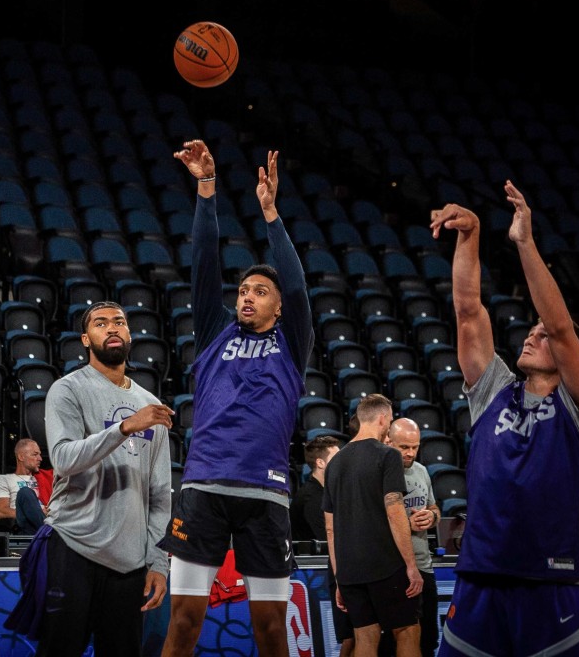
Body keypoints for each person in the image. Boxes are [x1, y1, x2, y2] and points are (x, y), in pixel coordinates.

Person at [429, 180, 579, 655]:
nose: (531, 336)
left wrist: (524, 242)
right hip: (480, 577)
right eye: (530, 331)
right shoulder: (493, 392)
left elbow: (562, 325)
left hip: (548, 583)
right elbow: (468, 313)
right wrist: (471, 237)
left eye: (540, 335)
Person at [159, 140, 314, 657]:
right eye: (244, 288)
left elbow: (295, 286)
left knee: (270, 629)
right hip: (203, 484)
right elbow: (204, 262)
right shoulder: (214, 332)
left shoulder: (291, 342)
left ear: (276, 308)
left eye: (258, 291)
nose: (247, 294)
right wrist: (207, 189)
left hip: (265, 493)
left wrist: (271, 214)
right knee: (184, 622)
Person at [18, 301, 174, 656]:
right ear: (86, 340)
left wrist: (158, 561)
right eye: (101, 323)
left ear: (130, 333)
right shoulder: (68, 389)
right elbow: (63, 458)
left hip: (130, 561)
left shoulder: (149, 404)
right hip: (73, 546)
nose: (113, 327)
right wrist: (124, 427)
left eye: (119, 321)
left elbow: (160, 493)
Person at [323, 394, 423, 657]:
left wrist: (338, 578)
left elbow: (330, 528)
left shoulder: (334, 463)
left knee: (365, 637)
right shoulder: (387, 455)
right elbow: (395, 511)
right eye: (389, 422)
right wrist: (411, 566)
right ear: (382, 418)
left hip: (349, 571)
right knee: (408, 631)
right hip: (385, 565)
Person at [289, 434, 354, 657]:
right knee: (351, 636)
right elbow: (327, 538)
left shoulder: (328, 492)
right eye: (336, 458)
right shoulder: (311, 498)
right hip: (325, 569)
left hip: (336, 567)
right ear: (320, 463)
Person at [384, 417, 441, 657]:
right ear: (389, 442)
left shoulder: (422, 471)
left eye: (415, 447)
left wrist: (432, 517)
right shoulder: (379, 473)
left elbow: (435, 508)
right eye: (404, 447)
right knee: (394, 642)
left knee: (428, 639)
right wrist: (406, 523)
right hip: (394, 569)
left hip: (423, 567)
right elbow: (370, 524)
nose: (410, 453)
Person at [0, 438, 52, 535]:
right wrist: (35, 513)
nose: (40, 458)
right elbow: (1, 512)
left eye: (39, 454)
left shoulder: (46, 477)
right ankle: (48, 533)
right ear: (21, 457)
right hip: (24, 528)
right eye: (35, 454)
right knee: (25, 492)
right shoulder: (5, 479)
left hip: (48, 522)